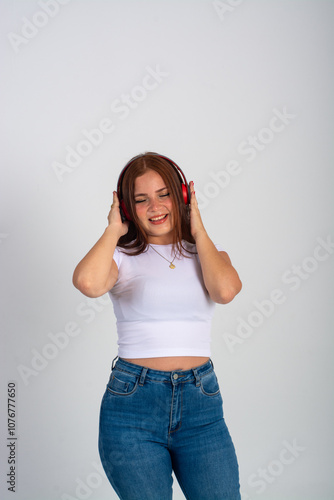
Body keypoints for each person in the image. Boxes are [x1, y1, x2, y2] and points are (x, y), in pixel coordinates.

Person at [72, 152, 242, 500]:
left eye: (164, 194)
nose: (154, 206)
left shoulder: (208, 253)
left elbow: (225, 291)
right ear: (126, 208)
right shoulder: (119, 255)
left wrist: (198, 228)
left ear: (182, 196)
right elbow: (88, 284)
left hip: (201, 405)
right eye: (140, 199)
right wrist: (112, 229)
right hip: (133, 405)